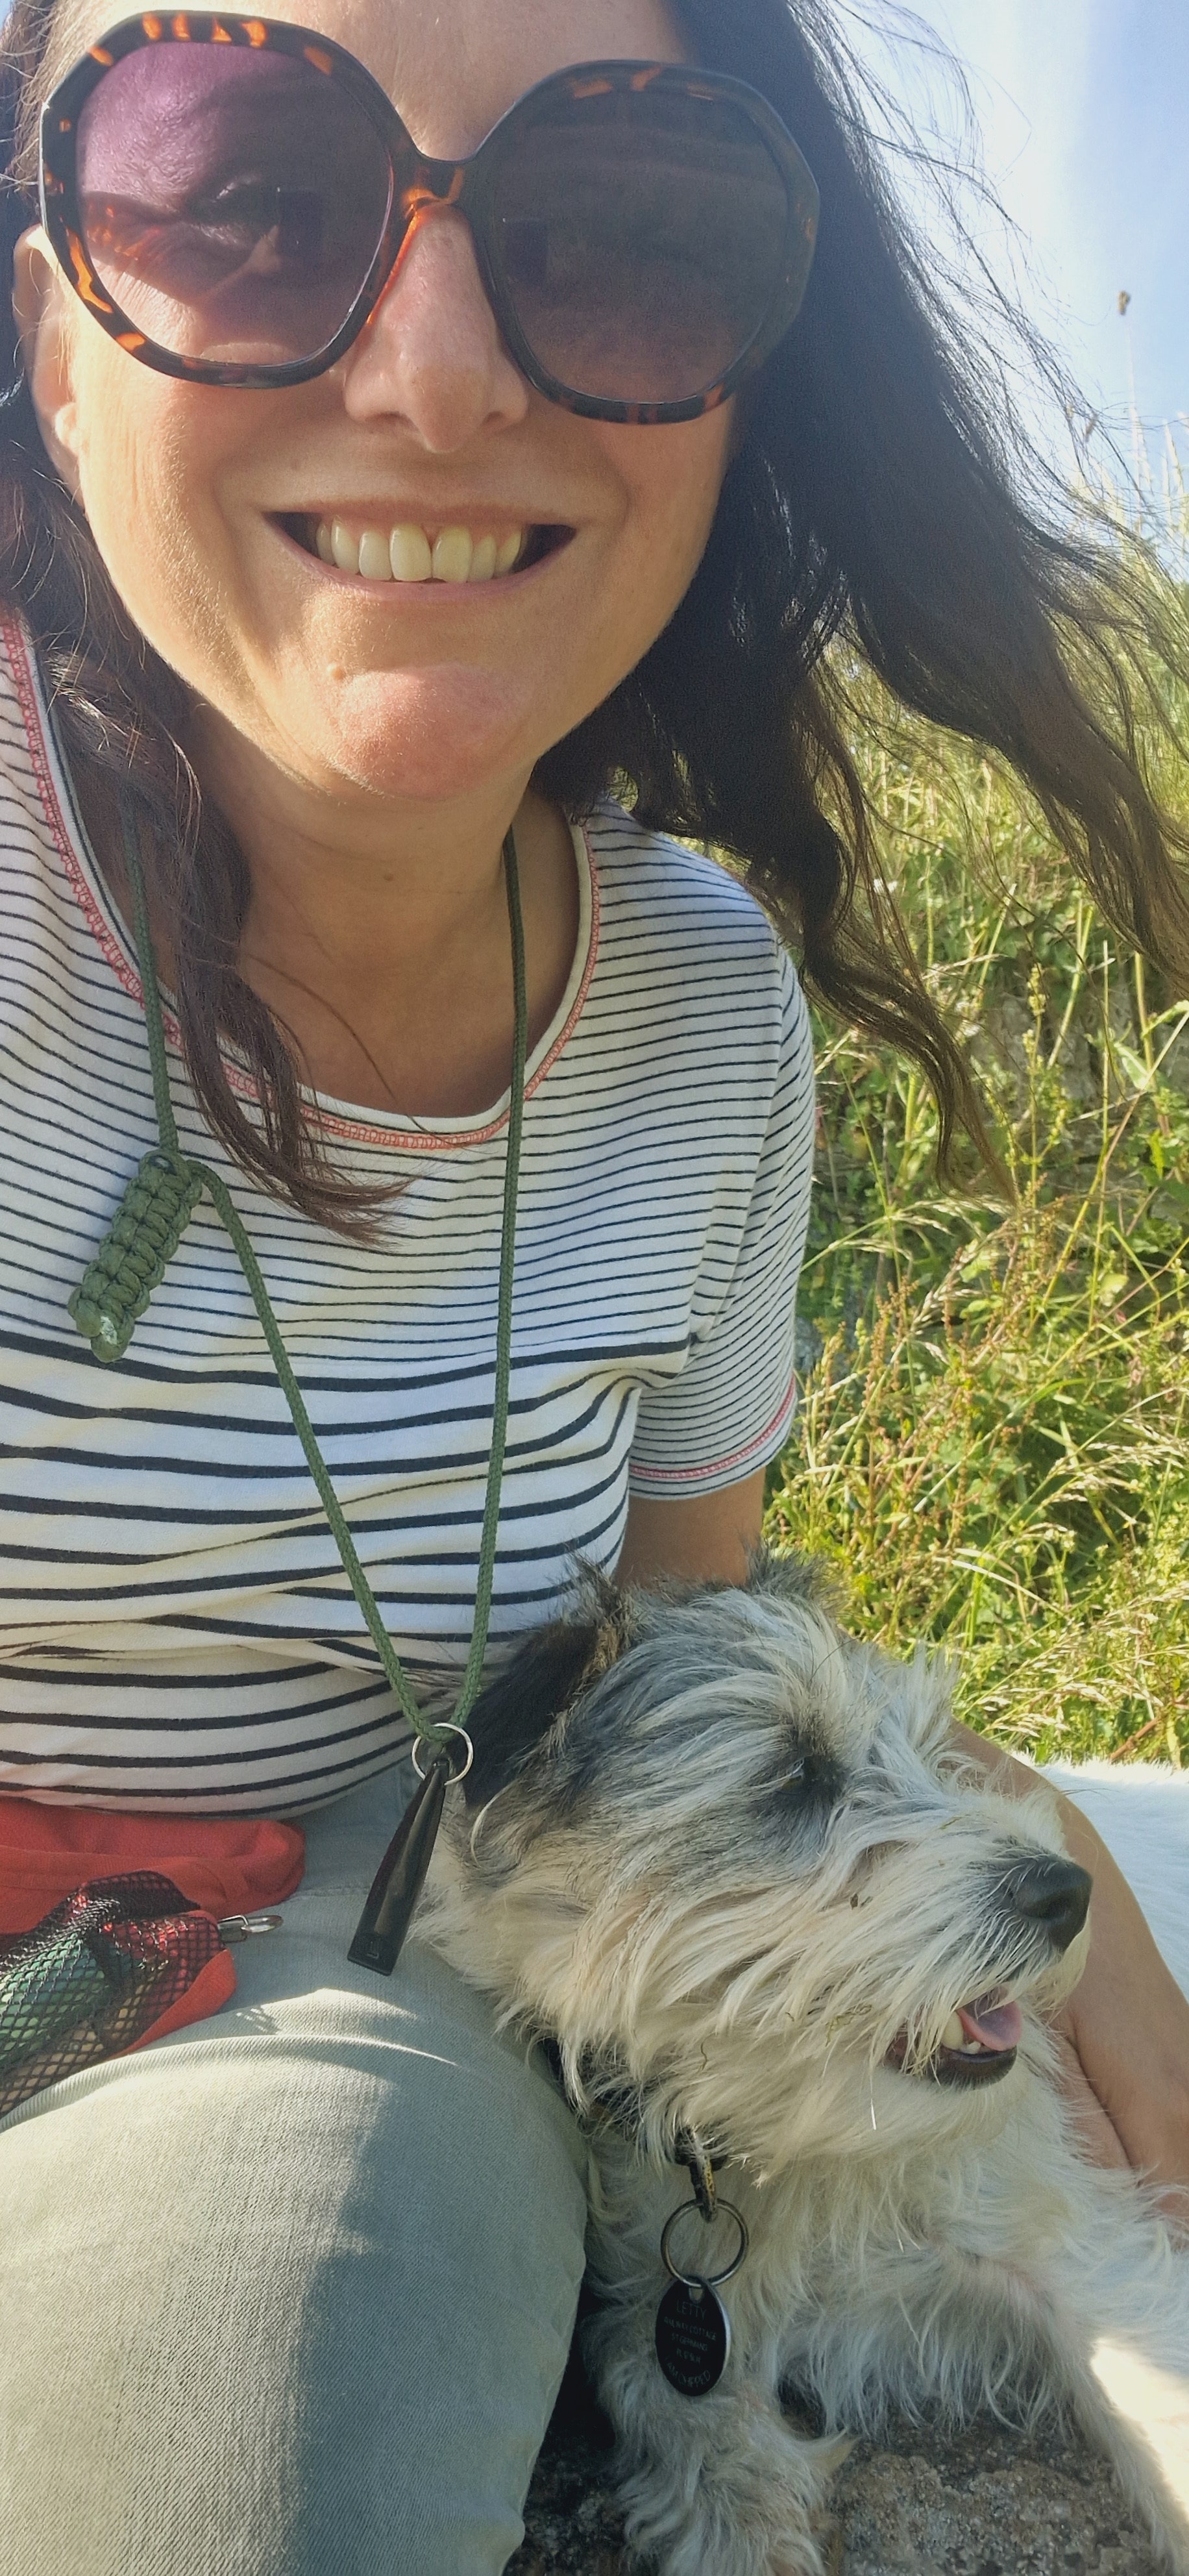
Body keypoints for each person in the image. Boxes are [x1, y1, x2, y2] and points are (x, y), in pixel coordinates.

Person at [0, 0, 1184, 2568]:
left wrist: (1088, 1994)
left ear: (746, 390)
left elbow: (702, 1653)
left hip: (332, 1978)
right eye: (244, 189)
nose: (436, 376)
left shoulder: (704, 1012)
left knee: (277, 2367)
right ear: (50, 336)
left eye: (626, 233)